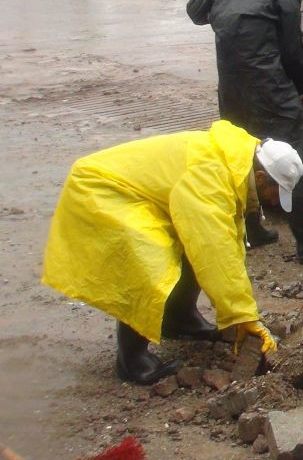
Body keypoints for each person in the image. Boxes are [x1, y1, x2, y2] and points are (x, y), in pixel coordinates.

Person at [42, 122, 289, 385]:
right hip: (102, 189)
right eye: (275, 192)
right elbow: (215, 250)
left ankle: (178, 319)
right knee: (149, 260)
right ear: (260, 178)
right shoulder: (210, 175)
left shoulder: (233, 164)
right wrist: (244, 315)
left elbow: (225, 242)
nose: (274, 202)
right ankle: (131, 361)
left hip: (133, 193)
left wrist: (237, 312)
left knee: (189, 243)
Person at [186, 0, 303, 265]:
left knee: (239, 163)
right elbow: (293, 55)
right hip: (273, 94)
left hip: (233, 93)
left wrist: (231, 24)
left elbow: (195, 12)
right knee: (296, 162)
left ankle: (251, 230)